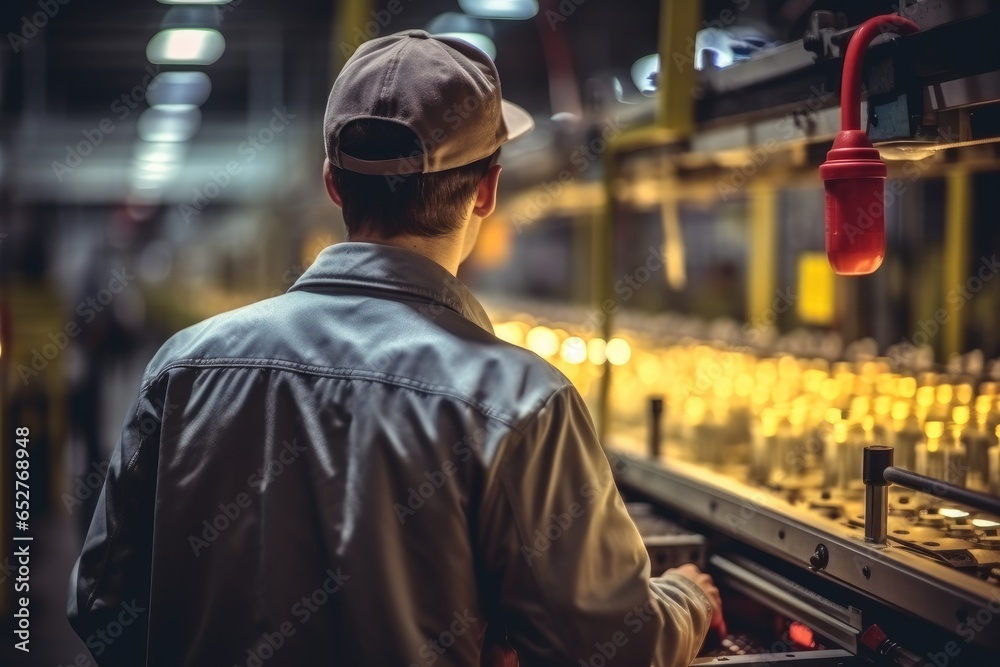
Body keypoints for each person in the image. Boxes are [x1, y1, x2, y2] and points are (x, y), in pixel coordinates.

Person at [67, 30, 724, 666]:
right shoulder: (521, 404)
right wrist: (686, 600)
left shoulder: (184, 367)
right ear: (488, 190)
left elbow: (101, 603)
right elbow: (607, 647)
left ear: (333, 184)